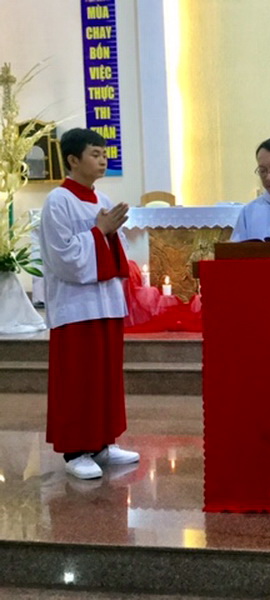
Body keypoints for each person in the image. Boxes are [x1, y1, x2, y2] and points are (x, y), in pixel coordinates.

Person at [40, 128, 140, 480]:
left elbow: (112, 251)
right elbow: (63, 257)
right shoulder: (58, 201)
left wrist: (107, 232)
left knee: (104, 377)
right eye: (95, 154)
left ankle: (102, 443)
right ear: (73, 159)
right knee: (78, 379)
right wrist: (100, 232)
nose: (102, 160)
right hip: (75, 307)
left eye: (104, 154)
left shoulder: (102, 198)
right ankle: (75, 450)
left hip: (105, 302)